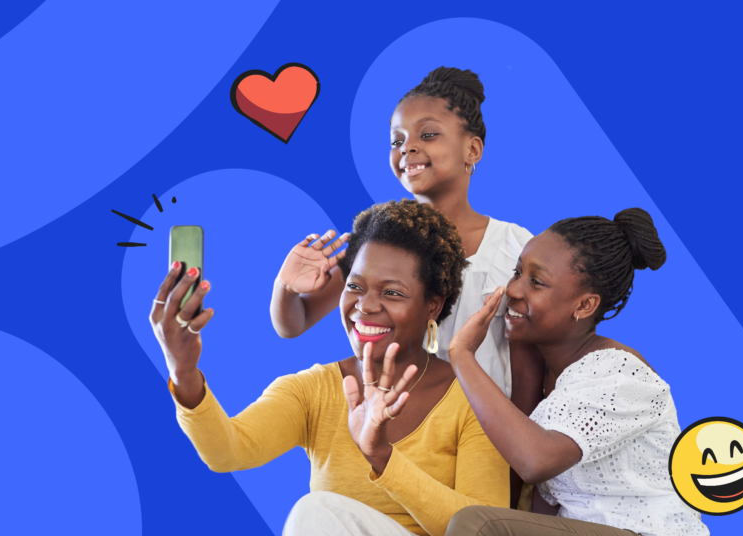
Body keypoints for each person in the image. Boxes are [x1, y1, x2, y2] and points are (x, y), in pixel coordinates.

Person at [270, 66, 544, 505]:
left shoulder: (516, 247)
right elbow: (294, 322)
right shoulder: (381, 243)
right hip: (392, 433)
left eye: (428, 135)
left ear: (472, 148)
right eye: (397, 140)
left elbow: (532, 360)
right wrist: (287, 287)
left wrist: (518, 455)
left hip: (481, 443)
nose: (408, 148)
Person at [151, 200, 509, 536]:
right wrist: (183, 372)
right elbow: (228, 451)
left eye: (392, 293)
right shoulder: (315, 391)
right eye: (355, 286)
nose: (364, 306)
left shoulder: (472, 400)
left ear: (433, 305)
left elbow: (486, 528)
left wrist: (382, 456)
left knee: (316, 512)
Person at [444, 209, 710, 536]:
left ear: (584, 306)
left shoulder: (618, 373)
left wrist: (462, 355)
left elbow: (534, 461)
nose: (513, 289)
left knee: (478, 524)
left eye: (536, 282)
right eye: (517, 273)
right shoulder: (548, 376)